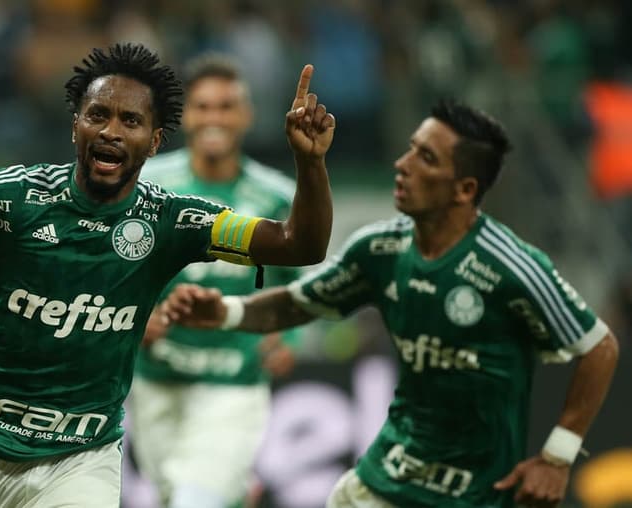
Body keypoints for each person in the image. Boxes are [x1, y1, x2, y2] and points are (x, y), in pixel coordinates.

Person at [0, 42, 335, 507]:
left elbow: (299, 245)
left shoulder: (175, 219)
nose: (110, 131)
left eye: (130, 121)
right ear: (75, 126)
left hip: (83, 457)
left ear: (154, 141)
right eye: (97, 115)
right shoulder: (16, 196)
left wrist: (310, 163)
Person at [159, 100, 620, 508]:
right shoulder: (381, 250)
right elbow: (298, 304)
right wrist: (224, 311)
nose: (402, 165)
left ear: (464, 189)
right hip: (387, 478)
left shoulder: (511, 267)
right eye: (410, 148)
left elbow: (599, 348)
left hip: (477, 492)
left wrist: (557, 457)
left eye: (426, 158)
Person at [128, 53, 301, 508]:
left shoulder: (276, 196)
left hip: (234, 381)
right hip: (155, 377)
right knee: (173, 495)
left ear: (246, 115)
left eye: (226, 106)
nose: (215, 117)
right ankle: (240, 493)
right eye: (204, 106)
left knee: (193, 501)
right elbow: (116, 271)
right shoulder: (148, 186)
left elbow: (306, 282)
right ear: (186, 116)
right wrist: (132, 320)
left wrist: (292, 338)